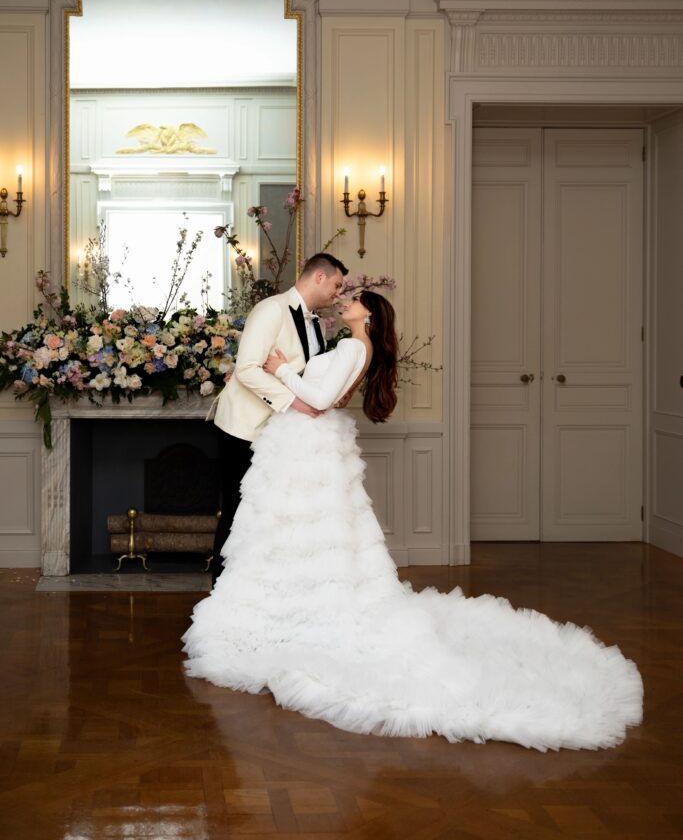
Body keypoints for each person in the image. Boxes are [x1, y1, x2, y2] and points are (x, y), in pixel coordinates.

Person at [184, 291, 643, 751]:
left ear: (368, 313)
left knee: (306, 531)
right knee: (302, 532)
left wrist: (282, 370)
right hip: (306, 443)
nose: (346, 301)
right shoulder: (352, 345)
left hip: (310, 442)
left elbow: (321, 399)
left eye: (354, 299)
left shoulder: (353, 346)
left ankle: (297, 611)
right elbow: (331, 393)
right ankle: (291, 603)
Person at [208, 252, 348, 585]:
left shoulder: (317, 324)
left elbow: (308, 375)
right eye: (337, 285)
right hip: (243, 427)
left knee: (266, 514)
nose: (338, 293)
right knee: (237, 510)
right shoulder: (271, 309)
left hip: (278, 433)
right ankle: (221, 591)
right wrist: (295, 402)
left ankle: (256, 588)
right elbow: (246, 369)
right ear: (319, 277)